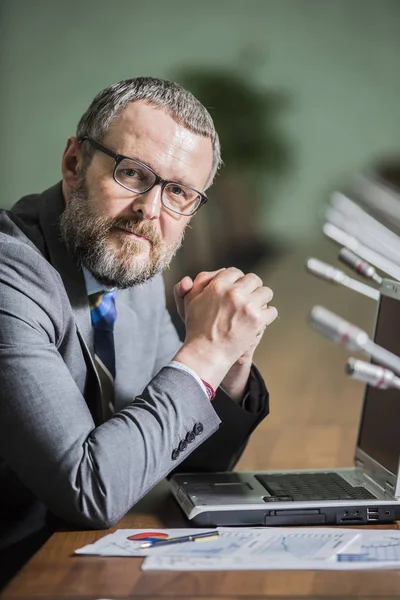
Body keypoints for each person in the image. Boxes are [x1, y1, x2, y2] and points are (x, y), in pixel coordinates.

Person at [0, 77, 277, 581]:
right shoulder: (9, 277)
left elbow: (183, 456)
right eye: (132, 174)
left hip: (80, 562)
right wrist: (204, 353)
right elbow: (89, 488)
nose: (150, 211)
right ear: (73, 164)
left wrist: (232, 359)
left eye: (178, 193)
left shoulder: (132, 258)